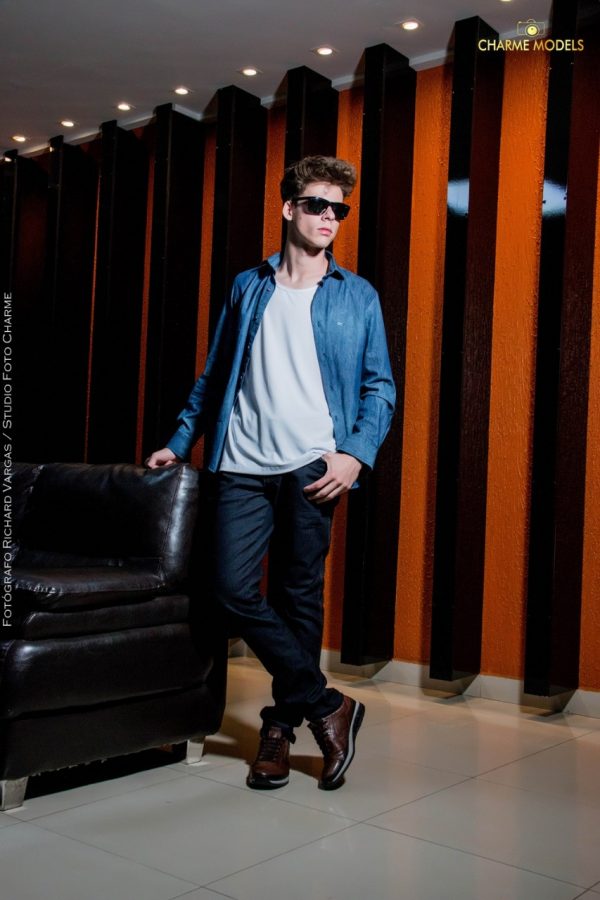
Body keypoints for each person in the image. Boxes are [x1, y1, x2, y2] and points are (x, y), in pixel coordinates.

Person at [147, 155, 395, 791]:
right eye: (317, 205)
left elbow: (380, 388)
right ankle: (328, 704)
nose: (329, 217)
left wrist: (355, 454)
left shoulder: (357, 295)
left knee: (298, 597)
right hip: (241, 463)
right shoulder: (248, 286)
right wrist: (180, 440)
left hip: (315, 465)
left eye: (339, 209)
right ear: (288, 209)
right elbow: (215, 374)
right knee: (229, 587)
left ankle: (280, 730)